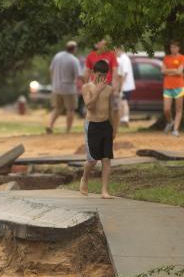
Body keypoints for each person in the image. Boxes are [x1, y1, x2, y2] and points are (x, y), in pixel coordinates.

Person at [80, 60, 119, 199]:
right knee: (92, 160)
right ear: (92, 73)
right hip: (92, 125)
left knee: (106, 159)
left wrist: (114, 128)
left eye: (104, 76)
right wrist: (97, 91)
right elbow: (89, 106)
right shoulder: (86, 88)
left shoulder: (109, 90)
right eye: (99, 75)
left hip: (105, 125)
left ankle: (104, 191)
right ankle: (85, 178)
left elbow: (113, 110)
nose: (101, 78)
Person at [46, 40, 82, 134]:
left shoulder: (57, 56)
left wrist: (54, 81)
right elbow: (78, 76)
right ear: (74, 49)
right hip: (69, 89)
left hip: (56, 88)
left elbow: (51, 70)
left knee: (57, 109)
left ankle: (50, 125)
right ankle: (68, 130)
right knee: (70, 109)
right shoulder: (74, 60)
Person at [162, 40, 184, 137]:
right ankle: (170, 122)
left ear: (178, 48)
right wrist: (173, 70)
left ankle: (175, 130)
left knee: (178, 109)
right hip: (167, 86)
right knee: (166, 109)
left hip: (179, 86)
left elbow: (180, 71)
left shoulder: (182, 58)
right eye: (172, 47)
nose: (173, 49)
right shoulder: (166, 58)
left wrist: (169, 71)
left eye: (175, 47)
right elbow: (163, 71)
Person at [115, 46, 134, 126]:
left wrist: (121, 87)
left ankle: (125, 119)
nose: (115, 52)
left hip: (126, 86)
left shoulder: (125, 59)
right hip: (124, 85)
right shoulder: (121, 58)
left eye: (115, 50)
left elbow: (124, 74)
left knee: (124, 102)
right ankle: (122, 119)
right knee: (122, 102)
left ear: (119, 49)